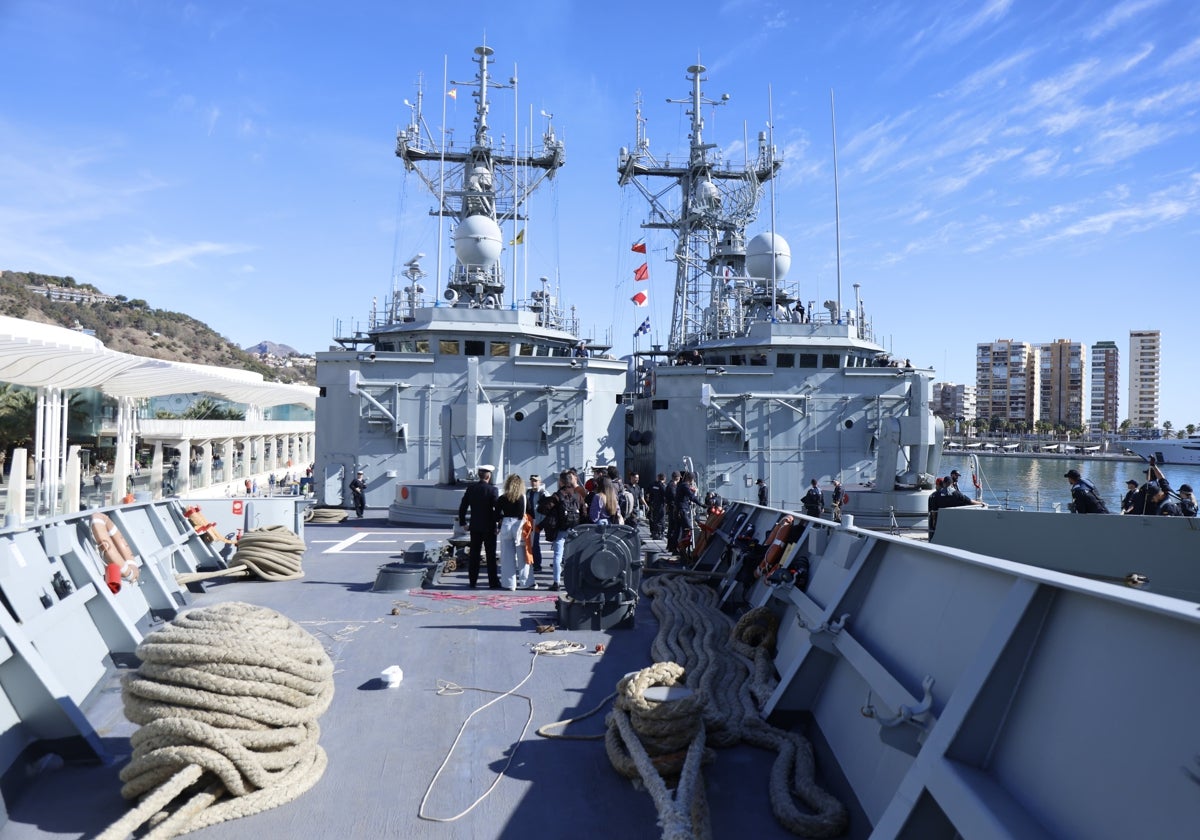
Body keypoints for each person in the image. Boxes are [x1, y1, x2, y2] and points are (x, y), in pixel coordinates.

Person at [457, 465, 500, 589]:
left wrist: (463, 522)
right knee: (490, 555)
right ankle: (493, 582)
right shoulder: (493, 490)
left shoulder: (471, 489)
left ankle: (472, 581)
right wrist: (498, 524)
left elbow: (463, 506)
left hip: (475, 526)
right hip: (489, 527)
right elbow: (497, 509)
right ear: (489, 476)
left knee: (474, 555)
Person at [545, 470, 583, 591]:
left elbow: (544, 508)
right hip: (574, 529)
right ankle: (571, 582)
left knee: (557, 556)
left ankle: (556, 582)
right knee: (571, 557)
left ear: (561, 482)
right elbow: (584, 511)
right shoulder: (577, 495)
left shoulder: (557, 495)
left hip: (561, 530)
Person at [496, 474, 535, 591]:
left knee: (507, 556)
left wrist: (501, 519)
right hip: (520, 526)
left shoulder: (502, 498)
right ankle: (525, 582)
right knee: (523, 556)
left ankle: (509, 584)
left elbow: (497, 514)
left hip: (506, 524)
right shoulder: (523, 497)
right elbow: (531, 513)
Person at [525, 474, 547, 571]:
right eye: (532, 480)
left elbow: (547, 508)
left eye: (535, 481)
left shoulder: (543, 493)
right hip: (528, 520)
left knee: (535, 543)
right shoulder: (528, 492)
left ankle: (537, 564)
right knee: (529, 543)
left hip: (537, 520)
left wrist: (541, 522)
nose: (533, 482)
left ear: (540, 482)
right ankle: (531, 562)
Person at [647, 473, 668, 539]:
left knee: (655, 519)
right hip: (661, 505)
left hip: (654, 504)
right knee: (661, 519)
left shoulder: (653, 485)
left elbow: (648, 494)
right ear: (664, 479)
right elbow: (666, 495)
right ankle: (660, 533)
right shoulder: (663, 486)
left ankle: (655, 533)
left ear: (658, 478)